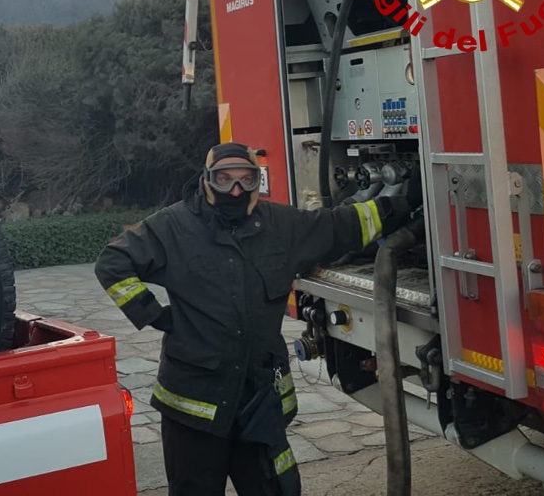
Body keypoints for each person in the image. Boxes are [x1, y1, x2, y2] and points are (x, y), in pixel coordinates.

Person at [94, 142, 423, 496]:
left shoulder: (281, 225)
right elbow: (113, 263)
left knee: (275, 488)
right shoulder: (173, 226)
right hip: (194, 404)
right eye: (224, 179)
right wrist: (156, 315)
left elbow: (342, 225)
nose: (235, 190)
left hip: (259, 398)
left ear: (257, 181)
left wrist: (404, 204)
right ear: (207, 181)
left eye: (245, 179)